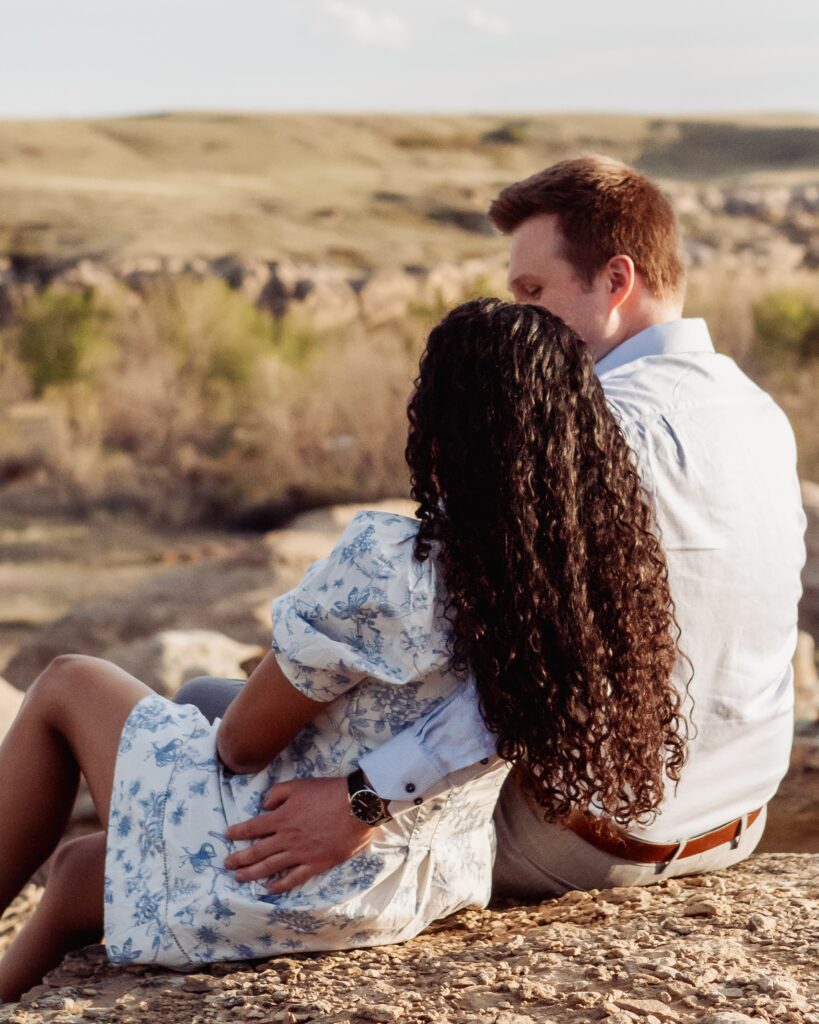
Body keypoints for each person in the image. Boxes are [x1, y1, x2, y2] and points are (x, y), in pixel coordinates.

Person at [0, 299, 686, 1003]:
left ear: (444, 425)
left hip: (297, 877)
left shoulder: (393, 566)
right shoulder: (581, 581)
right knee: (86, 867)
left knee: (67, 681)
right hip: (417, 883)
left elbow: (240, 745)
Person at [179, 156, 807, 900]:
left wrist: (363, 796)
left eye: (534, 292)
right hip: (735, 819)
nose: (522, 319)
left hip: (591, 840)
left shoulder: (588, 437)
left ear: (616, 281)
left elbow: (542, 678)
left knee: (204, 708)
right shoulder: (754, 410)